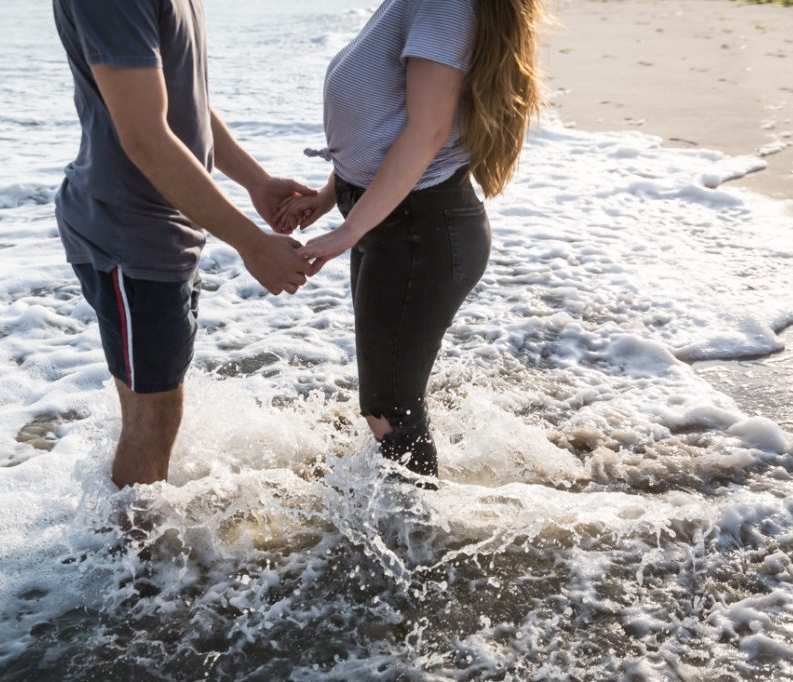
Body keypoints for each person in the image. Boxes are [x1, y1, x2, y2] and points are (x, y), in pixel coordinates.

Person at [277, 0, 545, 482]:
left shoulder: (445, 5)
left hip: (420, 228)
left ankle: (416, 539)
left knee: (390, 408)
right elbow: (384, 120)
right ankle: (399, 521)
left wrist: (350, 228)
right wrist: (328, 196)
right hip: (396, 218)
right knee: (387, 402)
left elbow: (427, 133)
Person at [52, 0, 315, 489]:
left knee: (155, 408)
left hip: (166, 226)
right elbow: (146, 137)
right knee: (151, 418)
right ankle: (136, 562)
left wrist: (255, 181)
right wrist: (251, 243)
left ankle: (131, 549)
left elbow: (181, 97)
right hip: (129, 233)